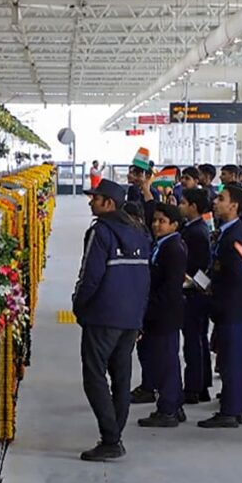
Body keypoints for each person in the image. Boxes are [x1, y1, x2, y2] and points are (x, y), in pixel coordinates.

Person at [73, 179, 152, 461]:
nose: (90, 202)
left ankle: (111, 438)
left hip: (103, 317)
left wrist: (79, 307)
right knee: (121, 376)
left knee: (94, 375)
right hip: (130, 319)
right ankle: (114, 434)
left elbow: (89, 276)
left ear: (108, 203)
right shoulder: (139, 232)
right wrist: (139, 317)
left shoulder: (101, 231)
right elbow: (145, 280)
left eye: (95, 198)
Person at [199, 184, 242, 428]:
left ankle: (231, 411)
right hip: (233, 305)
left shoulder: (236, 235)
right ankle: (236, 406)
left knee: (232, 358)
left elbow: (237, 276)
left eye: (221, 199)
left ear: (234, 206)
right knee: (234, 357)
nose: (215, 202)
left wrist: (213, 292)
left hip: (232, 306)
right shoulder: (230, 231)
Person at [137, 204, 189, 428]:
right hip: (158, 312)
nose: (156, 224)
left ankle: (167, 408)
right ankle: (174, 404)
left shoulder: (173, 249)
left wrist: (149, 307)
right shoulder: (161, 244)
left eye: (162, 221)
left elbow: (170, 287)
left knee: (164, 360)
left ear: (174, 225)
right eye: (155, 220)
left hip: (164, 313)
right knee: (163, 359)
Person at [179, 188, 213, 404]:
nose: (180, 205)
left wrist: (193, 284)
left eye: (183, 202)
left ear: (193, 206)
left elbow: (202, 266)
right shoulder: (193, 228)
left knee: (194, 341)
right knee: (197, 340)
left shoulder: (196, 233)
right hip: (195, 292)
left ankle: (193, 387)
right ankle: (201, 385)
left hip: (194, 295)